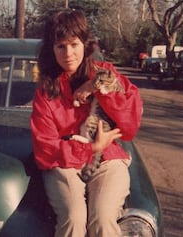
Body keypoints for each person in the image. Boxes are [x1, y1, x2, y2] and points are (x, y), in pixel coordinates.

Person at [30, 9, 143, 237]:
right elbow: (45, 149)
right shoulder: (46, 92)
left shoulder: (105, 73)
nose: (68, 53)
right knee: (73, 218)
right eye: (60, 46)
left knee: (103, 218)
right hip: (64, 163)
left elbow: (130, 126)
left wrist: (95, 88)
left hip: (108, 160)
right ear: (52, 50)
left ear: (85, 43)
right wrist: (90, 148)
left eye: (74, 44)